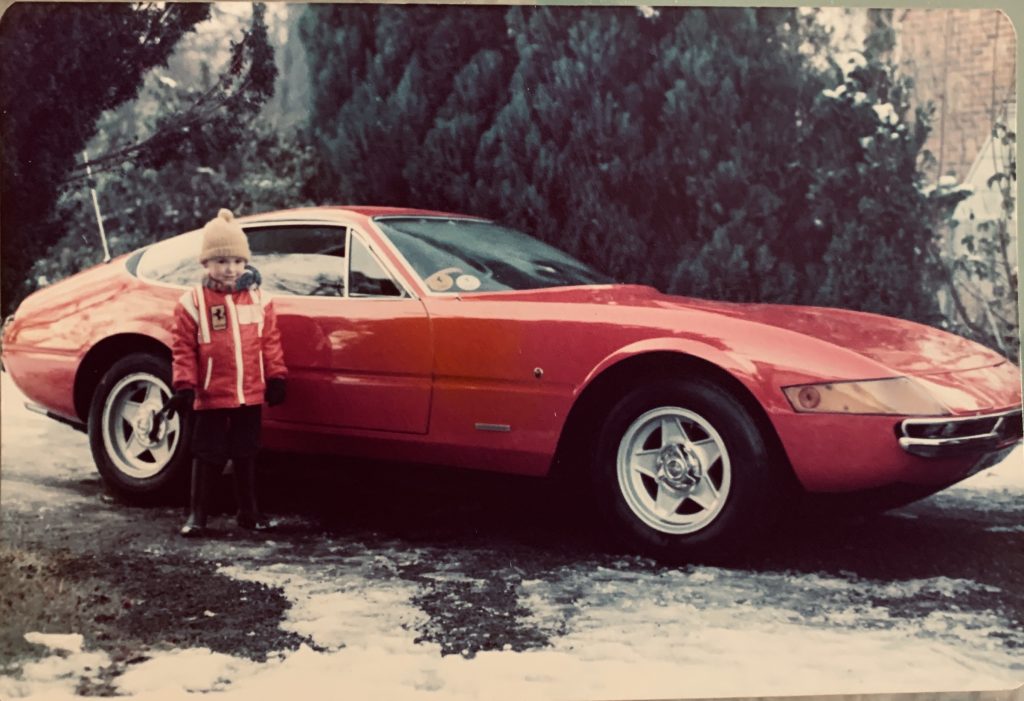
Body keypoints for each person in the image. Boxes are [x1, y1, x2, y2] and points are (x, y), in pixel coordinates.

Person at [165, 208, 288, 537]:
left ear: (245, 262)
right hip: (211, 394)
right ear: (205, 264)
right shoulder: (191, 303)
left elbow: (270, 343)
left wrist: (276, 377)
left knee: (247, 451)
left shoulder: (261, 300)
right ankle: (197, 516)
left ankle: (249, 512)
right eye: (221, 261)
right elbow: (183, 349)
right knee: (207, 453)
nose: (230, 268)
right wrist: (185, 386)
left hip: (249, 393)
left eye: (236, 261)